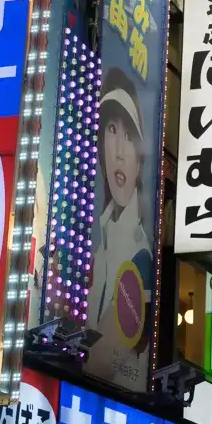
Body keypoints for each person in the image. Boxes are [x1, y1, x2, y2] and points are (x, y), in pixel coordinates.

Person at [86, 67, 152, 363]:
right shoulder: (101, 244)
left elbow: (100, 364)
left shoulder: (142, 259)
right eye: (111, 130)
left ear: (140, 162)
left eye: (129, 136)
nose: (120, 152)